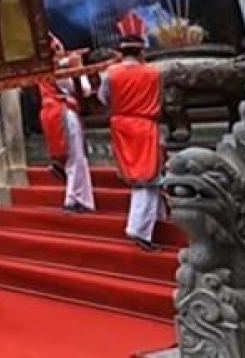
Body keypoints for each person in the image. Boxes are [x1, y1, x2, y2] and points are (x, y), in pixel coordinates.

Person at [99, 13, 165, 252]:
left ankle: (155, 216)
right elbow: (161, 100)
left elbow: (103, 98)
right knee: (146, 179)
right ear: (141, 50)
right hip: (146, 126)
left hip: (121, 126)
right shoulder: (154, 73)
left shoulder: (110, 73)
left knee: (140, 176)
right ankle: (139, 229)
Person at [38, 37, 96, 214]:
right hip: (63, 110)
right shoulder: (61, 68)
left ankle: (73, 194)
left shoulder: (41, 68)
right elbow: (83, 89)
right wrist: (78, 67)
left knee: (68, 155)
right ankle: (76, 198)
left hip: (49, 111)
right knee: (76, 156)